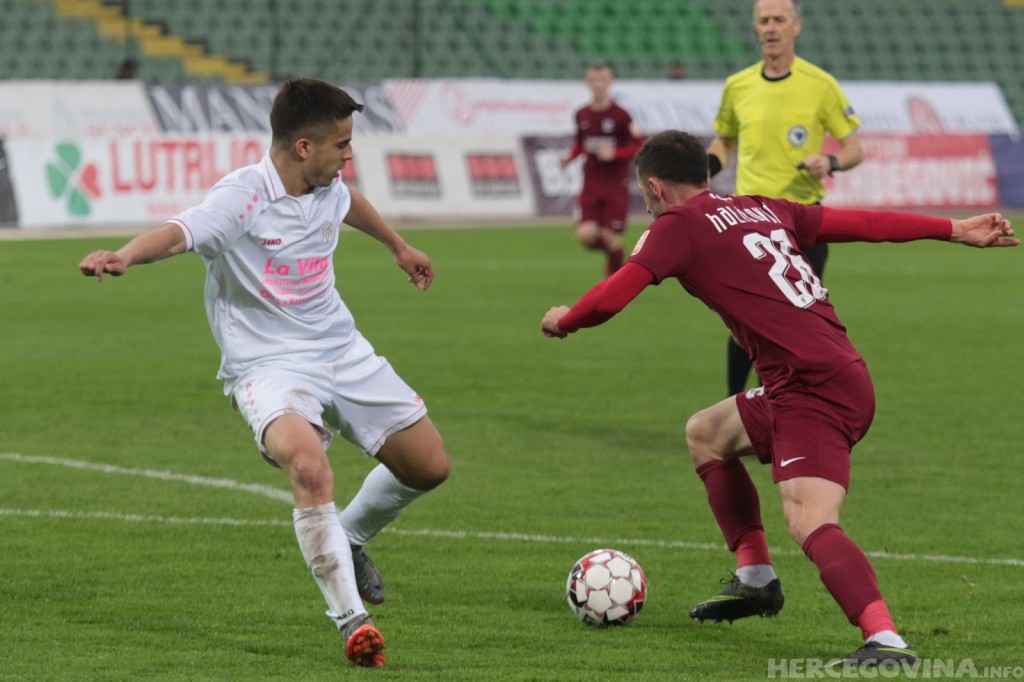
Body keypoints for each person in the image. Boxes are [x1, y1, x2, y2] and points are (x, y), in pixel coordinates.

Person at [540, 130, 1017, 669]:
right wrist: (953, 229)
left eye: (644, 194)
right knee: (707, 434)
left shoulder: (677, 226)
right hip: (826, 373)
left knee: (809, 518)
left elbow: (611, 297)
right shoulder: (762, 207)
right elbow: (864, 223)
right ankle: (755, 579)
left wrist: (566, 319)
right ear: (705, 174)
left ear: (655, 187)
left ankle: (886, 639)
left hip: (812, 387)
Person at [79, 78, 451, 669]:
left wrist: (397, 246)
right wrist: (124, 255)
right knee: (308, 466)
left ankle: (350, 537)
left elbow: (347, 202)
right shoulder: (243, 196)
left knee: (428, 466)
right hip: (267, 366)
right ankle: (353, 620)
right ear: (304, 147)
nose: (348, 156)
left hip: (341, 348)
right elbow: (181, 232)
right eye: (341, 145)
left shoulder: (325, 184)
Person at [707, 0, 863, 396]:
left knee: (789, 325)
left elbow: (854, 149)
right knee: (743, 321)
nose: (771, 27)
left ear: (797, 27)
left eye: (779, 20)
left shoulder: (820, 84)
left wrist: (830, 161)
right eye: (764, 21)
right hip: (750, 220)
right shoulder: (738, 85)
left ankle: (773, 406)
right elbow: (725, 139)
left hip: (802, 222)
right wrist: (706, 166)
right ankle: (734, 405)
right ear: (755, 28)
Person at [561, 60, 645, 276]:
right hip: (590, 183)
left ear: (610, 82)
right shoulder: (581, 114)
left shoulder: (621, 115)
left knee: (609, 235)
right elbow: (581, 143)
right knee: (585, 235)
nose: (598, 84)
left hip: (615, 184)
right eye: (594, 80)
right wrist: (569, 158)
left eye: (602, 79)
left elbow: (639, 144)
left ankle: (613, 283)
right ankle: (617, 253)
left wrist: (615, 153)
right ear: (587, 82)